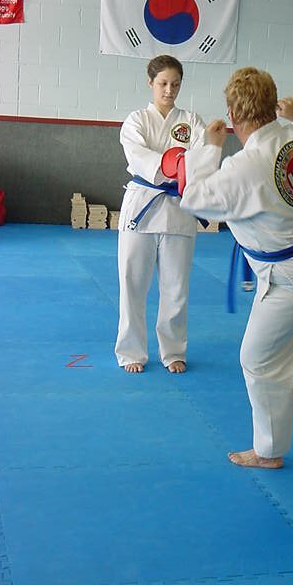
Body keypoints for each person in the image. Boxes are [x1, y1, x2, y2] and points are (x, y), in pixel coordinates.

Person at [180, 67, 293, 469]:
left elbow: (195, 200)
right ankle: (270, 445)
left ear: (233, 115)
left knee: (260, 359)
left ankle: (268, 452)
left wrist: (209, 147)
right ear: (274, 105)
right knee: (276, 352)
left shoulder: (245, 165)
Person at [115, 55, 206, 374]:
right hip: (141, 207)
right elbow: (138, 156)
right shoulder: (136, 120)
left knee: (176, 288)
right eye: (163, 83)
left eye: (175, 84)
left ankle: (173, 351)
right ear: (150, 82)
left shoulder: (192, 120)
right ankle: (131, 351)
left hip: (179, 209)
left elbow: (202, 157)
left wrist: (185, 168)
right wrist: (172, 164)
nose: (169, 90)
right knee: (132, 283)